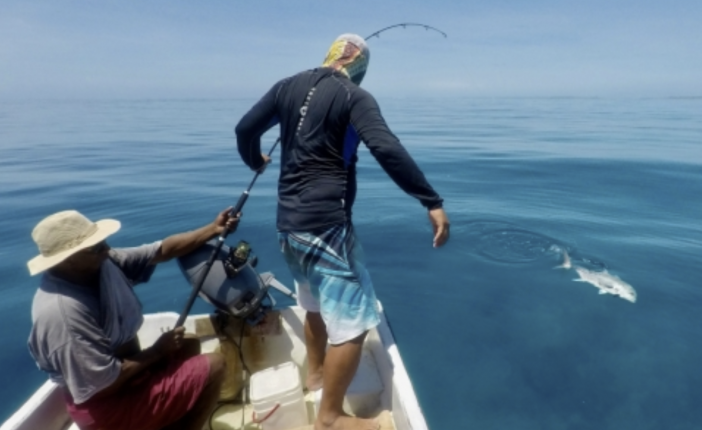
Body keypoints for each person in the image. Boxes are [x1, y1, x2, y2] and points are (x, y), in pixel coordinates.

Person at [235, 33, 450, 430]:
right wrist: (430, 200)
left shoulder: (286, 86)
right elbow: (385, 147)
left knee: (313, 306)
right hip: (325, 229)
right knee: (353, 325)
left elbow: (245, 129)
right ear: (359, 66)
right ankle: (330, 418)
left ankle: (315, 375)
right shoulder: (355, 97)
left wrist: (254, 160)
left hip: (289, 228)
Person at [26, 207, 240, 430]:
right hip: (105, 408)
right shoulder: (62, 314)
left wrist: (214, 229)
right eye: (97, 246)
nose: (107, 249)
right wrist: (157, 351)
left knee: (189, 345)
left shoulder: (99, 264)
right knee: (215, 366)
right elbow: (101, 386)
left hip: (126, 377)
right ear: (68, 260)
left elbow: (161, 250)